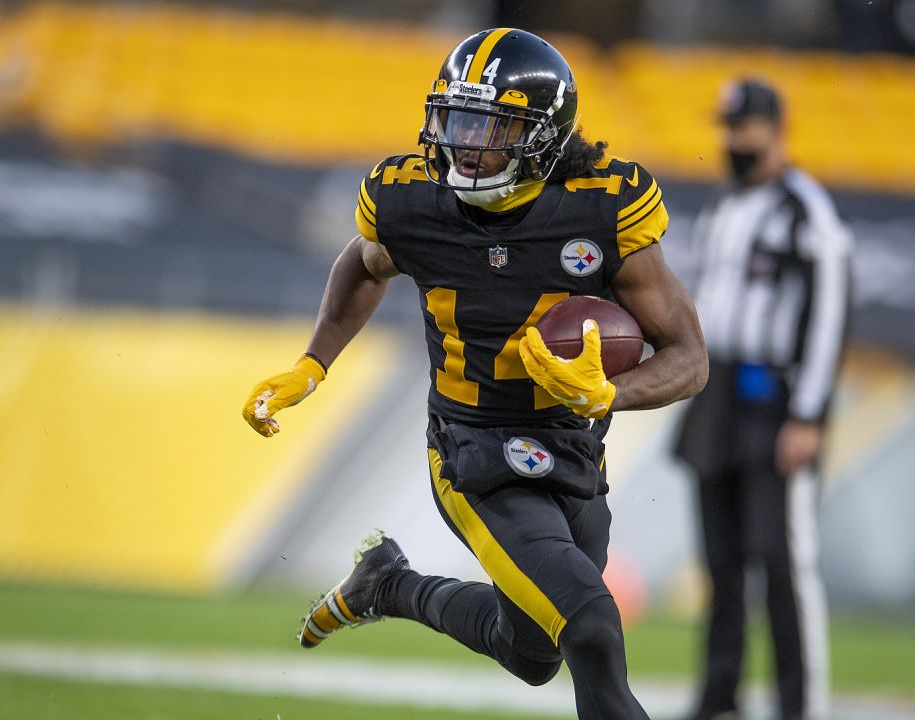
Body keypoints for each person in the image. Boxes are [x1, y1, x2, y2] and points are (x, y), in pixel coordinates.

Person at [241, 28, 706, 720]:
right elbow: (362, 266)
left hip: (575, 445)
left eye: (490, 125)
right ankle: (392, 584)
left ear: (543, 136)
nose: (463, 141)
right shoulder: (411, 201)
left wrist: (610, 392)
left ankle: (388, 586)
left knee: (529, 654)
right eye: (456, 119)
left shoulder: (601, 207)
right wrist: (314, 363)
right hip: (473, 448)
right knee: (593, 627)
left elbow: (689, 359)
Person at [674, 78, 852, 720]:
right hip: (718, 391)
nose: (732, 141)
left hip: (775, 398)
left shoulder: (805, 209)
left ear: (776, 129)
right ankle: (719, 699)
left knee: (782, 564)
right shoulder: (725, 209)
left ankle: (800, 706)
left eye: (742, 127)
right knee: (720, 564)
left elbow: (831, 309)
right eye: (726, 128)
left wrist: (810, 411)